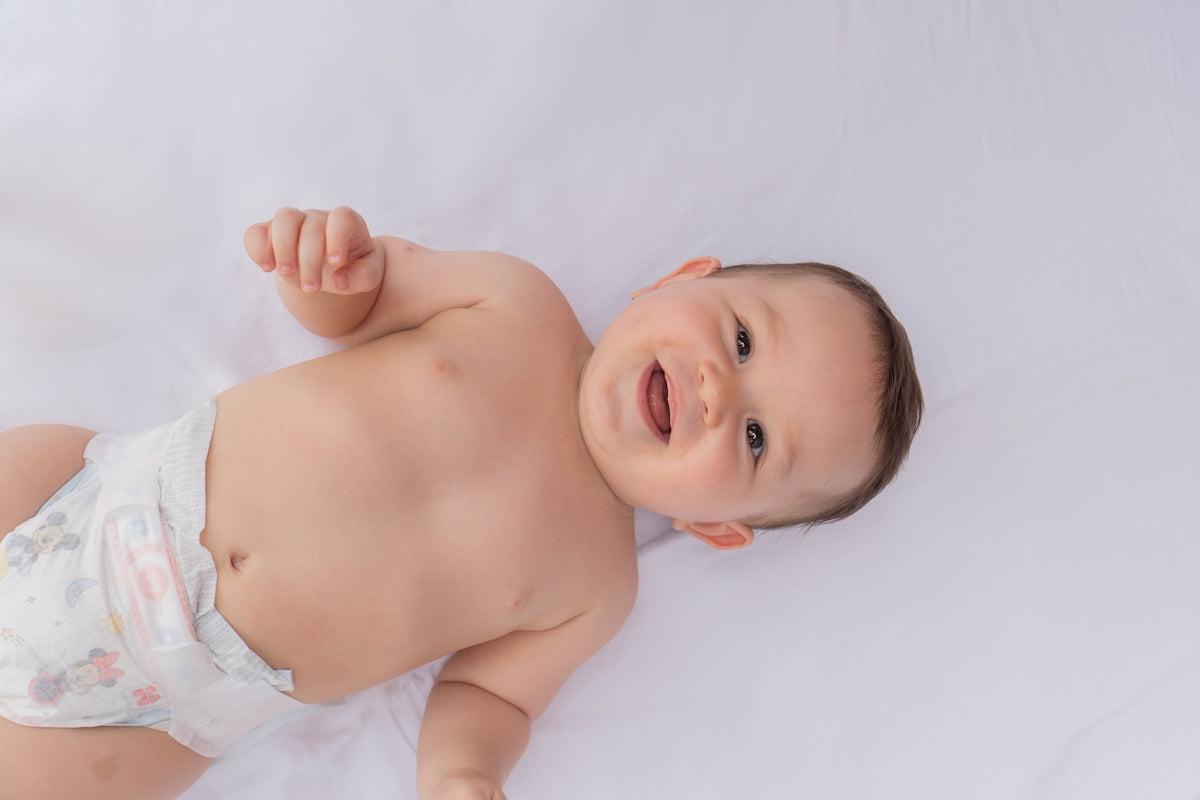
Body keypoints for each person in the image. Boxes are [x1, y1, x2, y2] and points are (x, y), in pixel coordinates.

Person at [0, 206, 923, 799]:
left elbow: (487, 695)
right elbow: (360, 308)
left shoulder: (598, 588)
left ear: (715, 526)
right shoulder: (515, 302)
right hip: (105, 495)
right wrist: (328, 273)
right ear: (680, 280)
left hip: (164, 709)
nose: (721, 389)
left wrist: (463, 773)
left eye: (757, 440)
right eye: (744, 340)